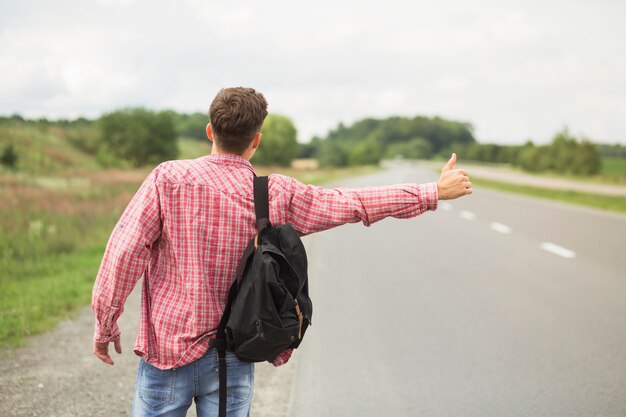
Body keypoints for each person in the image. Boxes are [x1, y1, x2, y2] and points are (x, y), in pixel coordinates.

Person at [92, 87, 472, 417]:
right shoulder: (274, 193)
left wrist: (105, 322)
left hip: (168, 355)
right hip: (238, 351)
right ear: (256, 140)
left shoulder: (167, 179)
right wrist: (431, 192)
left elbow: (124, 251)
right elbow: (351, 202)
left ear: (210, 131)